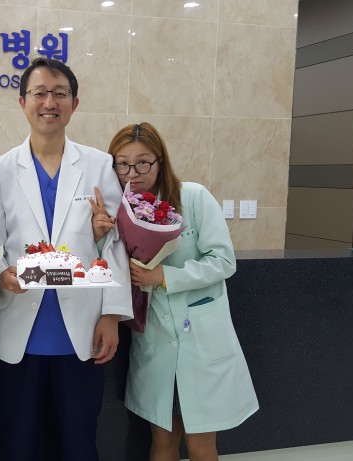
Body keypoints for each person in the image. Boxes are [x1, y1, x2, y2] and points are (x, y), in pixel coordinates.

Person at [0, 57, 133, 461]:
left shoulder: (97, 165)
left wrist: (112, 315)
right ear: (22, 102)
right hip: (18, 331)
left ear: (74, 104)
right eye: (40, 93)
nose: (49, 102)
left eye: (60, 94)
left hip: (81, 331)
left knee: (78, 444)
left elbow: (113, 242)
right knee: (16, 445)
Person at [96, 122, 259, 461]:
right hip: (155, 341)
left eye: (143, 163)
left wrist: (164, 276)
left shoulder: (193, 197)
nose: (132, 174)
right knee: (162, 442)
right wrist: (99, 237)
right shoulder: (118, 211)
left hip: (199, 343)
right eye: (122, 164)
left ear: (160, 161)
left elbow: (223, 261)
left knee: (200, 446)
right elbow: (107, 268)